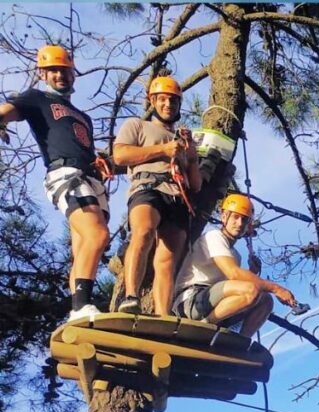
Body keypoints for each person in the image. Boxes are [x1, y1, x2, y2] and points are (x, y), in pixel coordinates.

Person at [0, 45, 110, 322]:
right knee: (97, 235)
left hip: (90, 175)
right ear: (43, 74)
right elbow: (7, 111)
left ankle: (80, 309)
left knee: (84, 244)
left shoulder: (82, 116)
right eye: (53, 71)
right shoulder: (37, 98)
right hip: (66, 174)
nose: (60, 76)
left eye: (64, 70)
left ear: (73, 74)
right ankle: (81, 305)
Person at [112, 75, 200, 316]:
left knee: (167, 260)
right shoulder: (137, 126)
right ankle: (131, 296)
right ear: (153, 101)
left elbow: (196, 185)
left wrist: (191, 157)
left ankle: (163, 315)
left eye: (172, 100)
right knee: (143, 232)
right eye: (162, 99)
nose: (168, 104)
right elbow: (120, 156)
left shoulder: (182, 141)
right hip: (148, 187)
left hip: (177, 196)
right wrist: (161, 149)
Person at [173, 194, 296, 337]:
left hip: (213, 306)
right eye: (235, 217)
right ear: (224, 216)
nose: (239, 223)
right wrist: (276, 288)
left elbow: (232, 288)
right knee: (251, 290)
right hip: (191, 301)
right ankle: (203, 326)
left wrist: (251, 273)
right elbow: (233, 273)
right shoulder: (214, 237)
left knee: (265, 301)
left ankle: (240, 341)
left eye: (244, 220)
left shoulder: (235, 255)